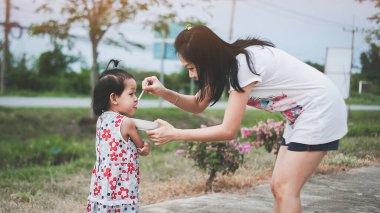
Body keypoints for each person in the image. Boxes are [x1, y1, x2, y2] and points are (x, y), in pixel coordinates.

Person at [142, 25, 347, 213]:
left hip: (319, 109)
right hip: (299, 115)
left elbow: (228, 130)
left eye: (191, 68)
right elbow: (198, 104)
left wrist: (176, 134)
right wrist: (163, 92)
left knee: (286, 189)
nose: (191, 75)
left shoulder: (241, 66)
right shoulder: (226, 64)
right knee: (278, 187)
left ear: (206, 60)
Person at [87, 59, 150, 213]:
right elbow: (141, 147)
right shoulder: (127, 123)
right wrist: (146, 147)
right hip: (121, 186)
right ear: (114, 98)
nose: (136, 99)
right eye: (131, 94)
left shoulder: (101, 120)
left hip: (102, 184)